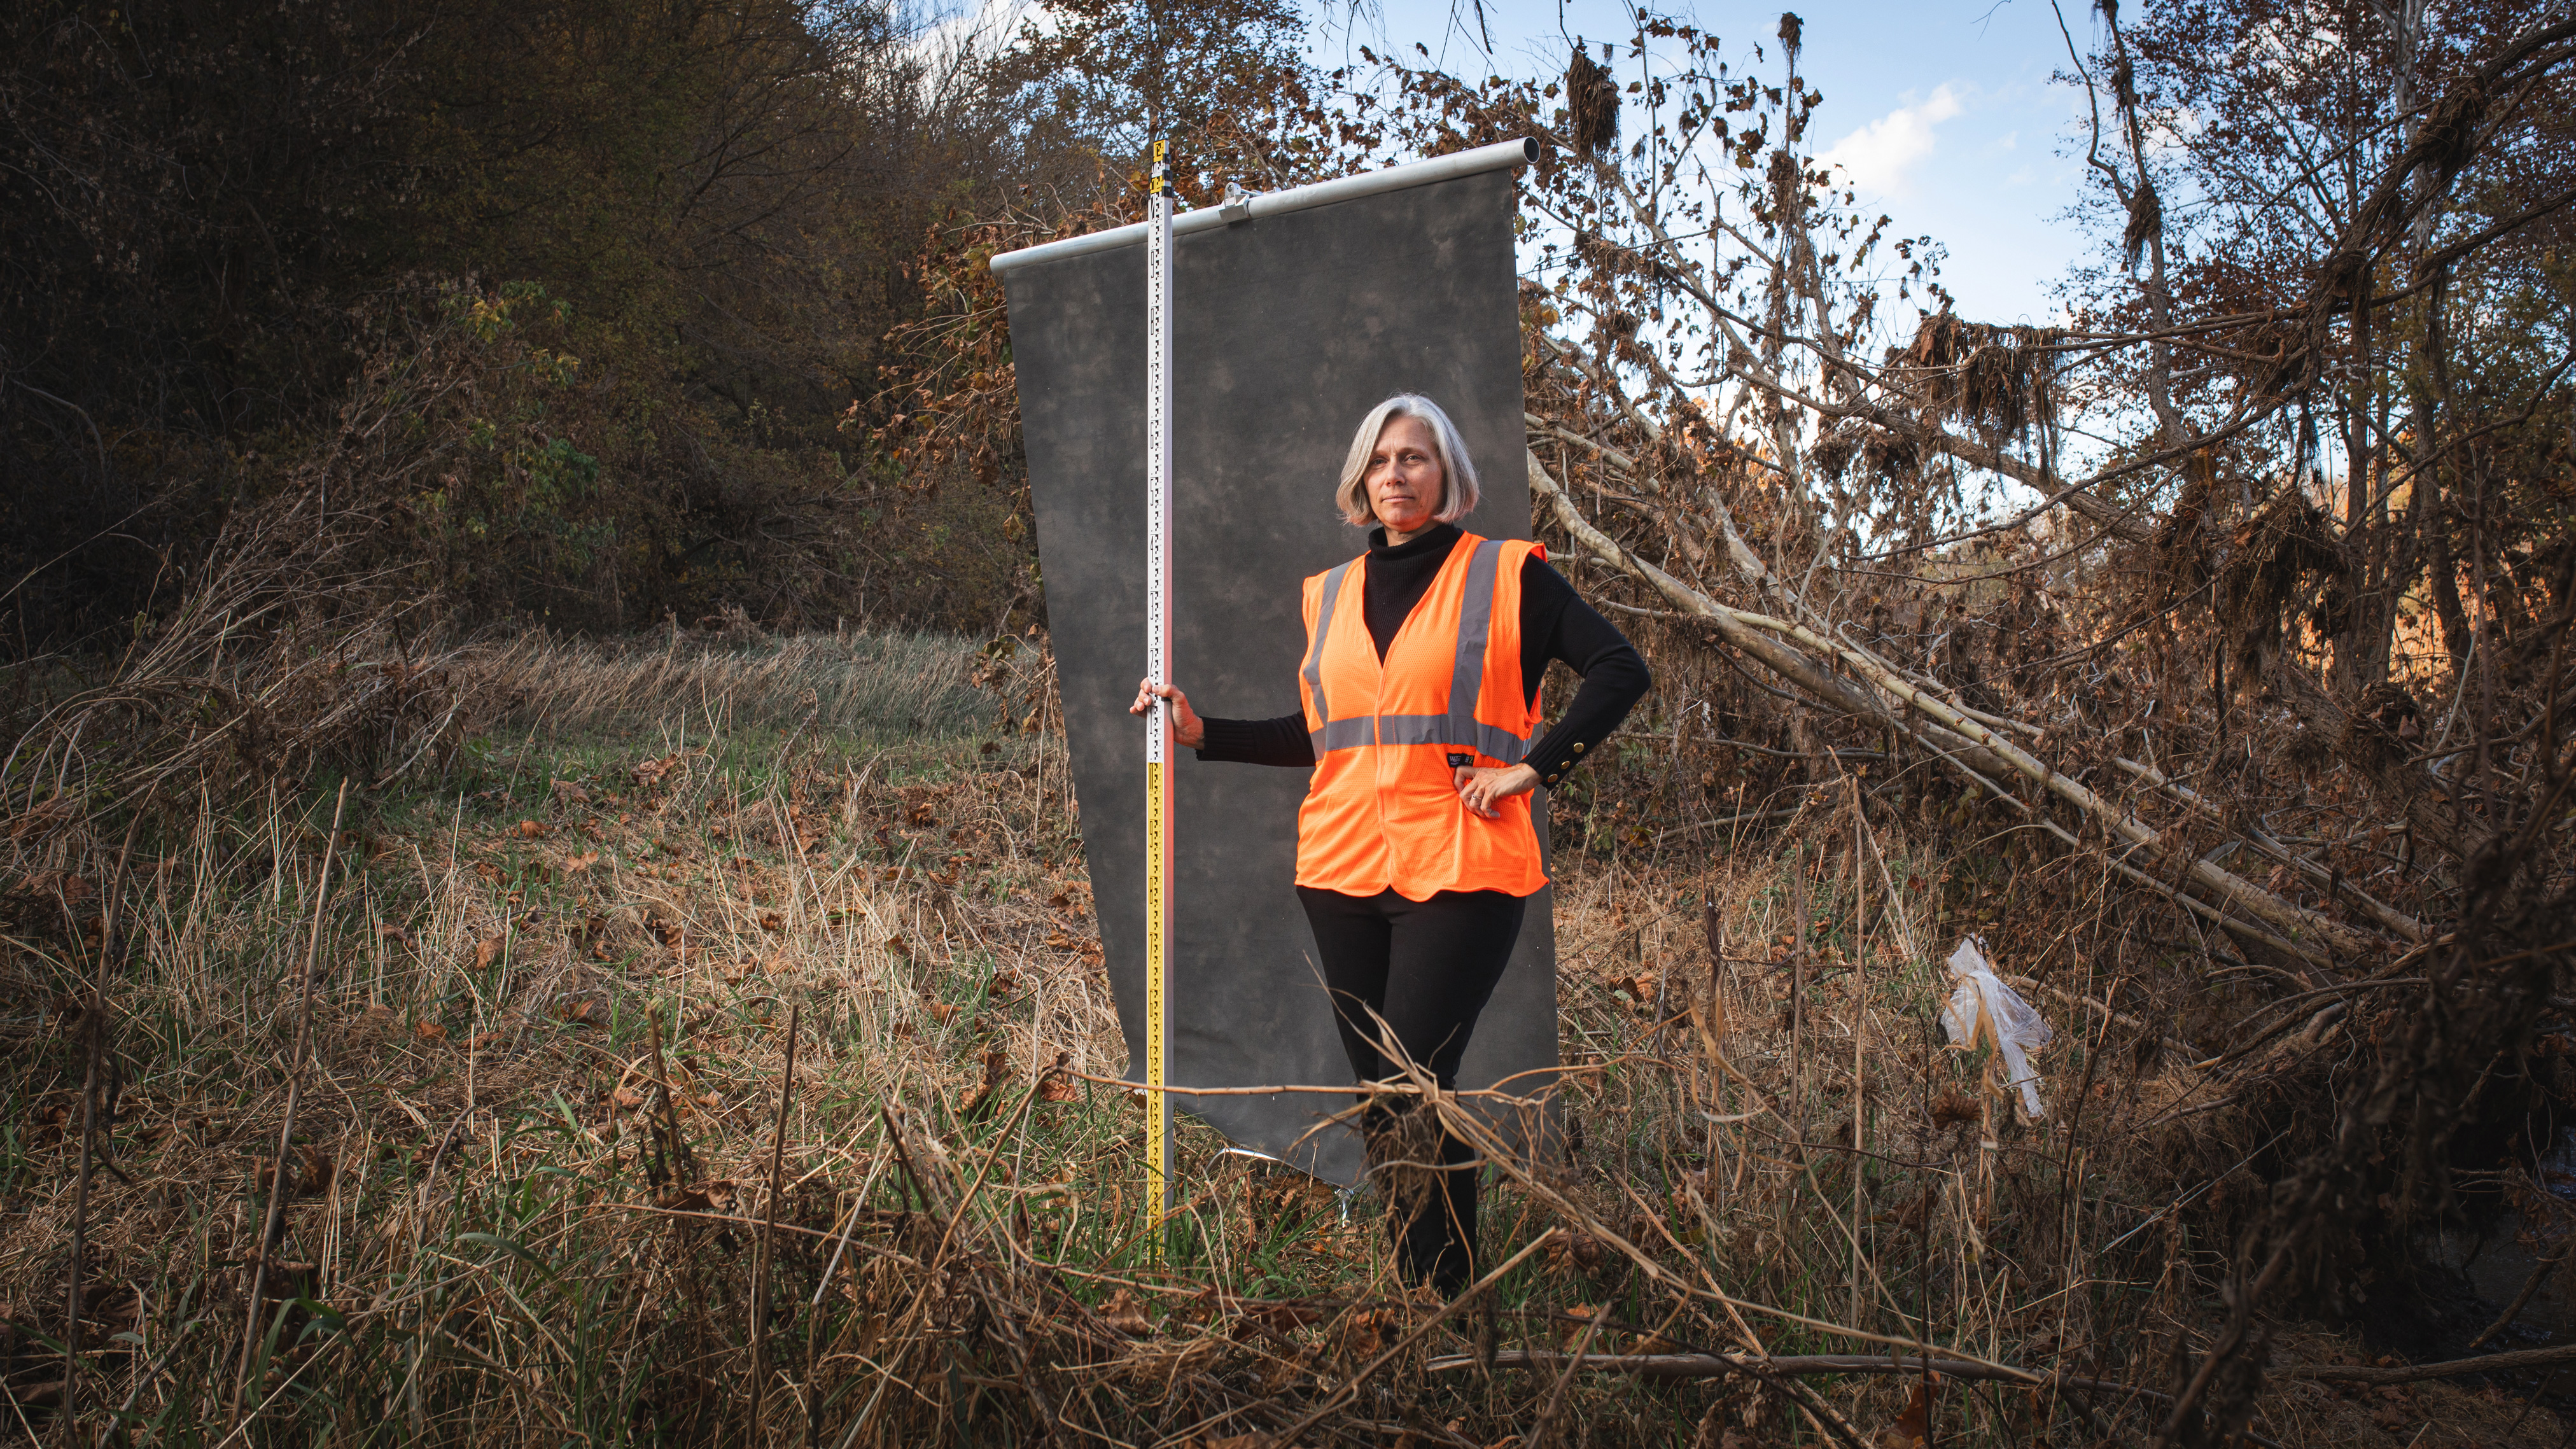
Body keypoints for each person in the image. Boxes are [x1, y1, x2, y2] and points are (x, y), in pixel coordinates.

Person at [1129, 394, 1649, 1296]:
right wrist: (1203, 731)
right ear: (1360, 483)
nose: (1396, 474)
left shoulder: (1504, 576)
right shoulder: (1330, 594)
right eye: (1380, 460)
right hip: (1341, 868)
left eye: (1414, 457)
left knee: (1415, 1079)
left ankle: (1445, 1298)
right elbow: (1330, 730)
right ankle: (1423, 1294)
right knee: (1383, 1094)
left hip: (1463, 864)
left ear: (1447, 476)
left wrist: (1532, 769)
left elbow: (1621, 669)